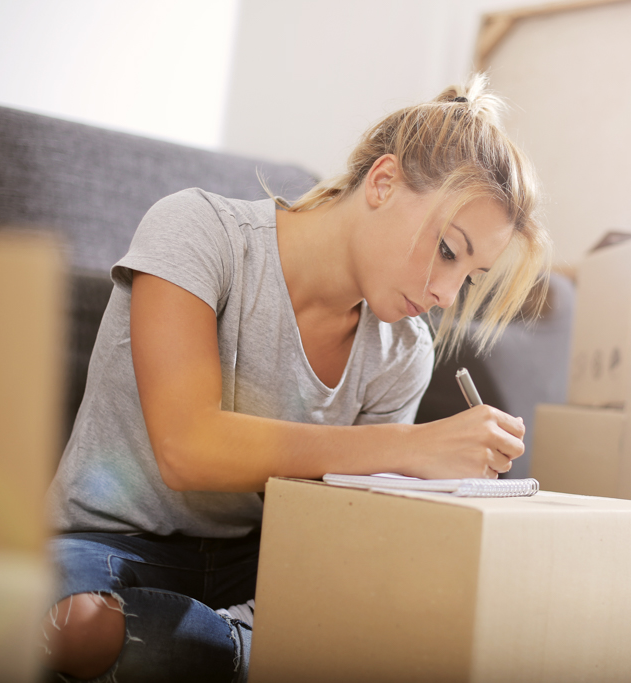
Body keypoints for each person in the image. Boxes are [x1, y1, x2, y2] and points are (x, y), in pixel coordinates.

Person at [40, 74, 550, 682]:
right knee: (77, 631)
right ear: (383, 183)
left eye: (469, 275)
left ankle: (227, 646)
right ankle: (247, 650)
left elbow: (335, 534)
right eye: (447, 249)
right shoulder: (199, 231)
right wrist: (414, 449)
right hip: (109, 543)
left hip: (258, 560)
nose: (444, 293)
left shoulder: (401, 350)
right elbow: (186, 447)